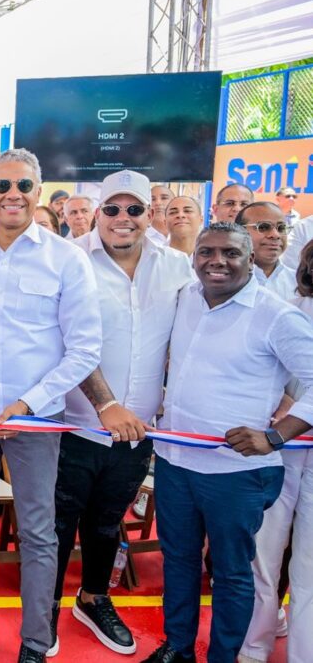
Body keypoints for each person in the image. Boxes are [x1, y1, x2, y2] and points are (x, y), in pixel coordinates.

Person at [0, 149, 102, 663]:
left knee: (37, 528)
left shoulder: (66, 257)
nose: (13, 194)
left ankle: (35, 640)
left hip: (36, 418)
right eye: (2, 184)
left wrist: (30, 403)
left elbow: (85, 349)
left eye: (24, 186)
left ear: (38, 190)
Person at [143, 223, 313, 663]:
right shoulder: (185, 299)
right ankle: (178, 648)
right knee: (178, 562)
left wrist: (275, 436)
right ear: (194, 257)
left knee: (233, 574)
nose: (217, 262)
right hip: (176, 460)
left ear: (250, 259)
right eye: (207, 252)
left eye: (230, 253)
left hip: (235, 473)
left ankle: (224, 656)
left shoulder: (276, 315)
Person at [52, 171, 192, 656]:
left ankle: (92, 598)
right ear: (97, 213)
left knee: (108, 523)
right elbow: (66, 343)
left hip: (140, 432)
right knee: (57, 523)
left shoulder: (177, 266)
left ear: (149, 214)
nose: (123, 219)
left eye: (134, 209)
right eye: (113, 209)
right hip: (73, 425)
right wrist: (104, 405)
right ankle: (44, 610)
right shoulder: (70, 261)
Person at [239, 240, 313, 663]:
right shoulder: (286, 310)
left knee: (308, 563)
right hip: (278, 452)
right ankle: (254, 645)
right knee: (264, 556)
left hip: (285, 445)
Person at [236, 201, 297, 298]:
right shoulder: (220, 280)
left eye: (281, 228)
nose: (275, 235)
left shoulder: (300, 283)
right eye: (263, 227)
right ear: (238, 232)